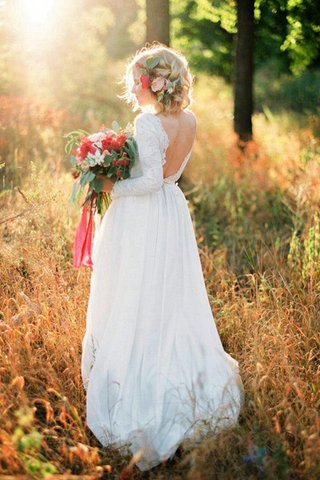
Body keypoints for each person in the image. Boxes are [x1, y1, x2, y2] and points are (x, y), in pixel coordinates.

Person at [81, 42, 245, 472]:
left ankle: (140, 383)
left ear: (153, 81)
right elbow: (167, 177)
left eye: (137, 79)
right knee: (167, 294)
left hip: (144, 217)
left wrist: (110, 186)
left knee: (136, 292)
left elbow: (150, 179)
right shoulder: (188, 118)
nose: (133, 88)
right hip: (172, 212)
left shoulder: (148, 123)